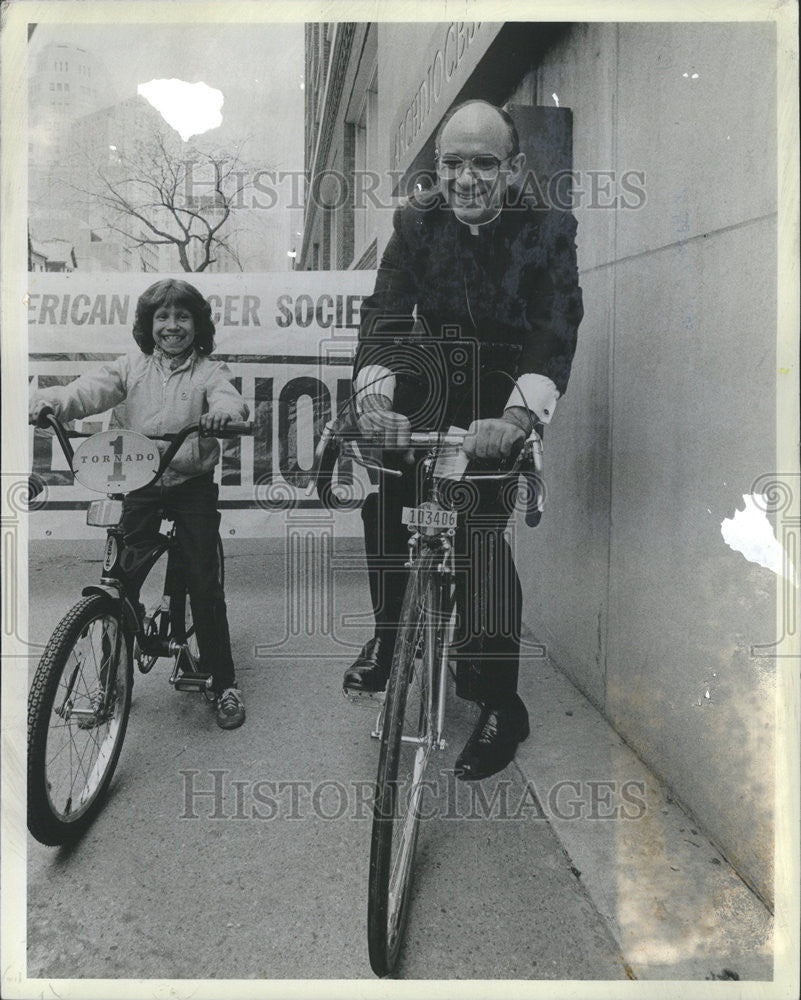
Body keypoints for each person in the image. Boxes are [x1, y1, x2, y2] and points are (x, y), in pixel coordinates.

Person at [345, 99, 584, 780]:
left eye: (483, 163)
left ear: (510, 170)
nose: (466, 179)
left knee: (480, 540)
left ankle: (500, 703)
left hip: (500, 400)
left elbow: (554, 329)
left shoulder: (548, 232)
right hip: (433, 385)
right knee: (384, 504)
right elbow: (385, 317)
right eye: (452, 163)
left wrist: (514, 419)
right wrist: (375, 399)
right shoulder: (415, 226)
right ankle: (392, 635)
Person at [29, 279, 249, 730]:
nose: (172, 326)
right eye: (162, 318)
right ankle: (111, 681)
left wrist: (225, 414)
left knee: (204, 584)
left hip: (190, 483)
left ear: (198, 325)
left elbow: (229, 397)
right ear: (148, 326)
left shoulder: (210, 371)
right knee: (120, 580)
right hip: (141, 480)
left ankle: (224, 682)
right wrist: (49, 402)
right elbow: (86, 391)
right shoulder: (130, 368)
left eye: (182, 317)